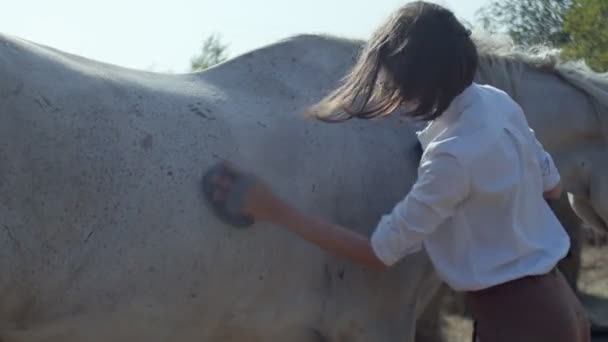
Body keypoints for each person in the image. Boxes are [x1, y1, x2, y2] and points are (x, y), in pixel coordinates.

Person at [203, 2, 590, 341]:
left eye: (393, 80)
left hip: (519, 323)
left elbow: (377, 253)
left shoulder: (451, 156)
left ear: (418, 78)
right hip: (559, 305)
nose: (389, 89)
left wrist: (273, 209)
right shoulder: (498, 102)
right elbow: (552, 187)